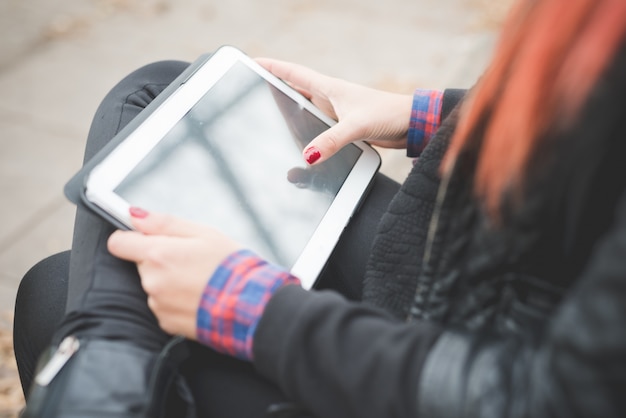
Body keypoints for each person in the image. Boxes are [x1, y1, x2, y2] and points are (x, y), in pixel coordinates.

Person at [13, 0, 626, 416]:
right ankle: (104, 356)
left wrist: (255, 309)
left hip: (462, 374)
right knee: (158, 89)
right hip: (472, 271)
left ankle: (98, 362)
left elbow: (545, 400)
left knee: (56, 288)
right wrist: (423, 115)